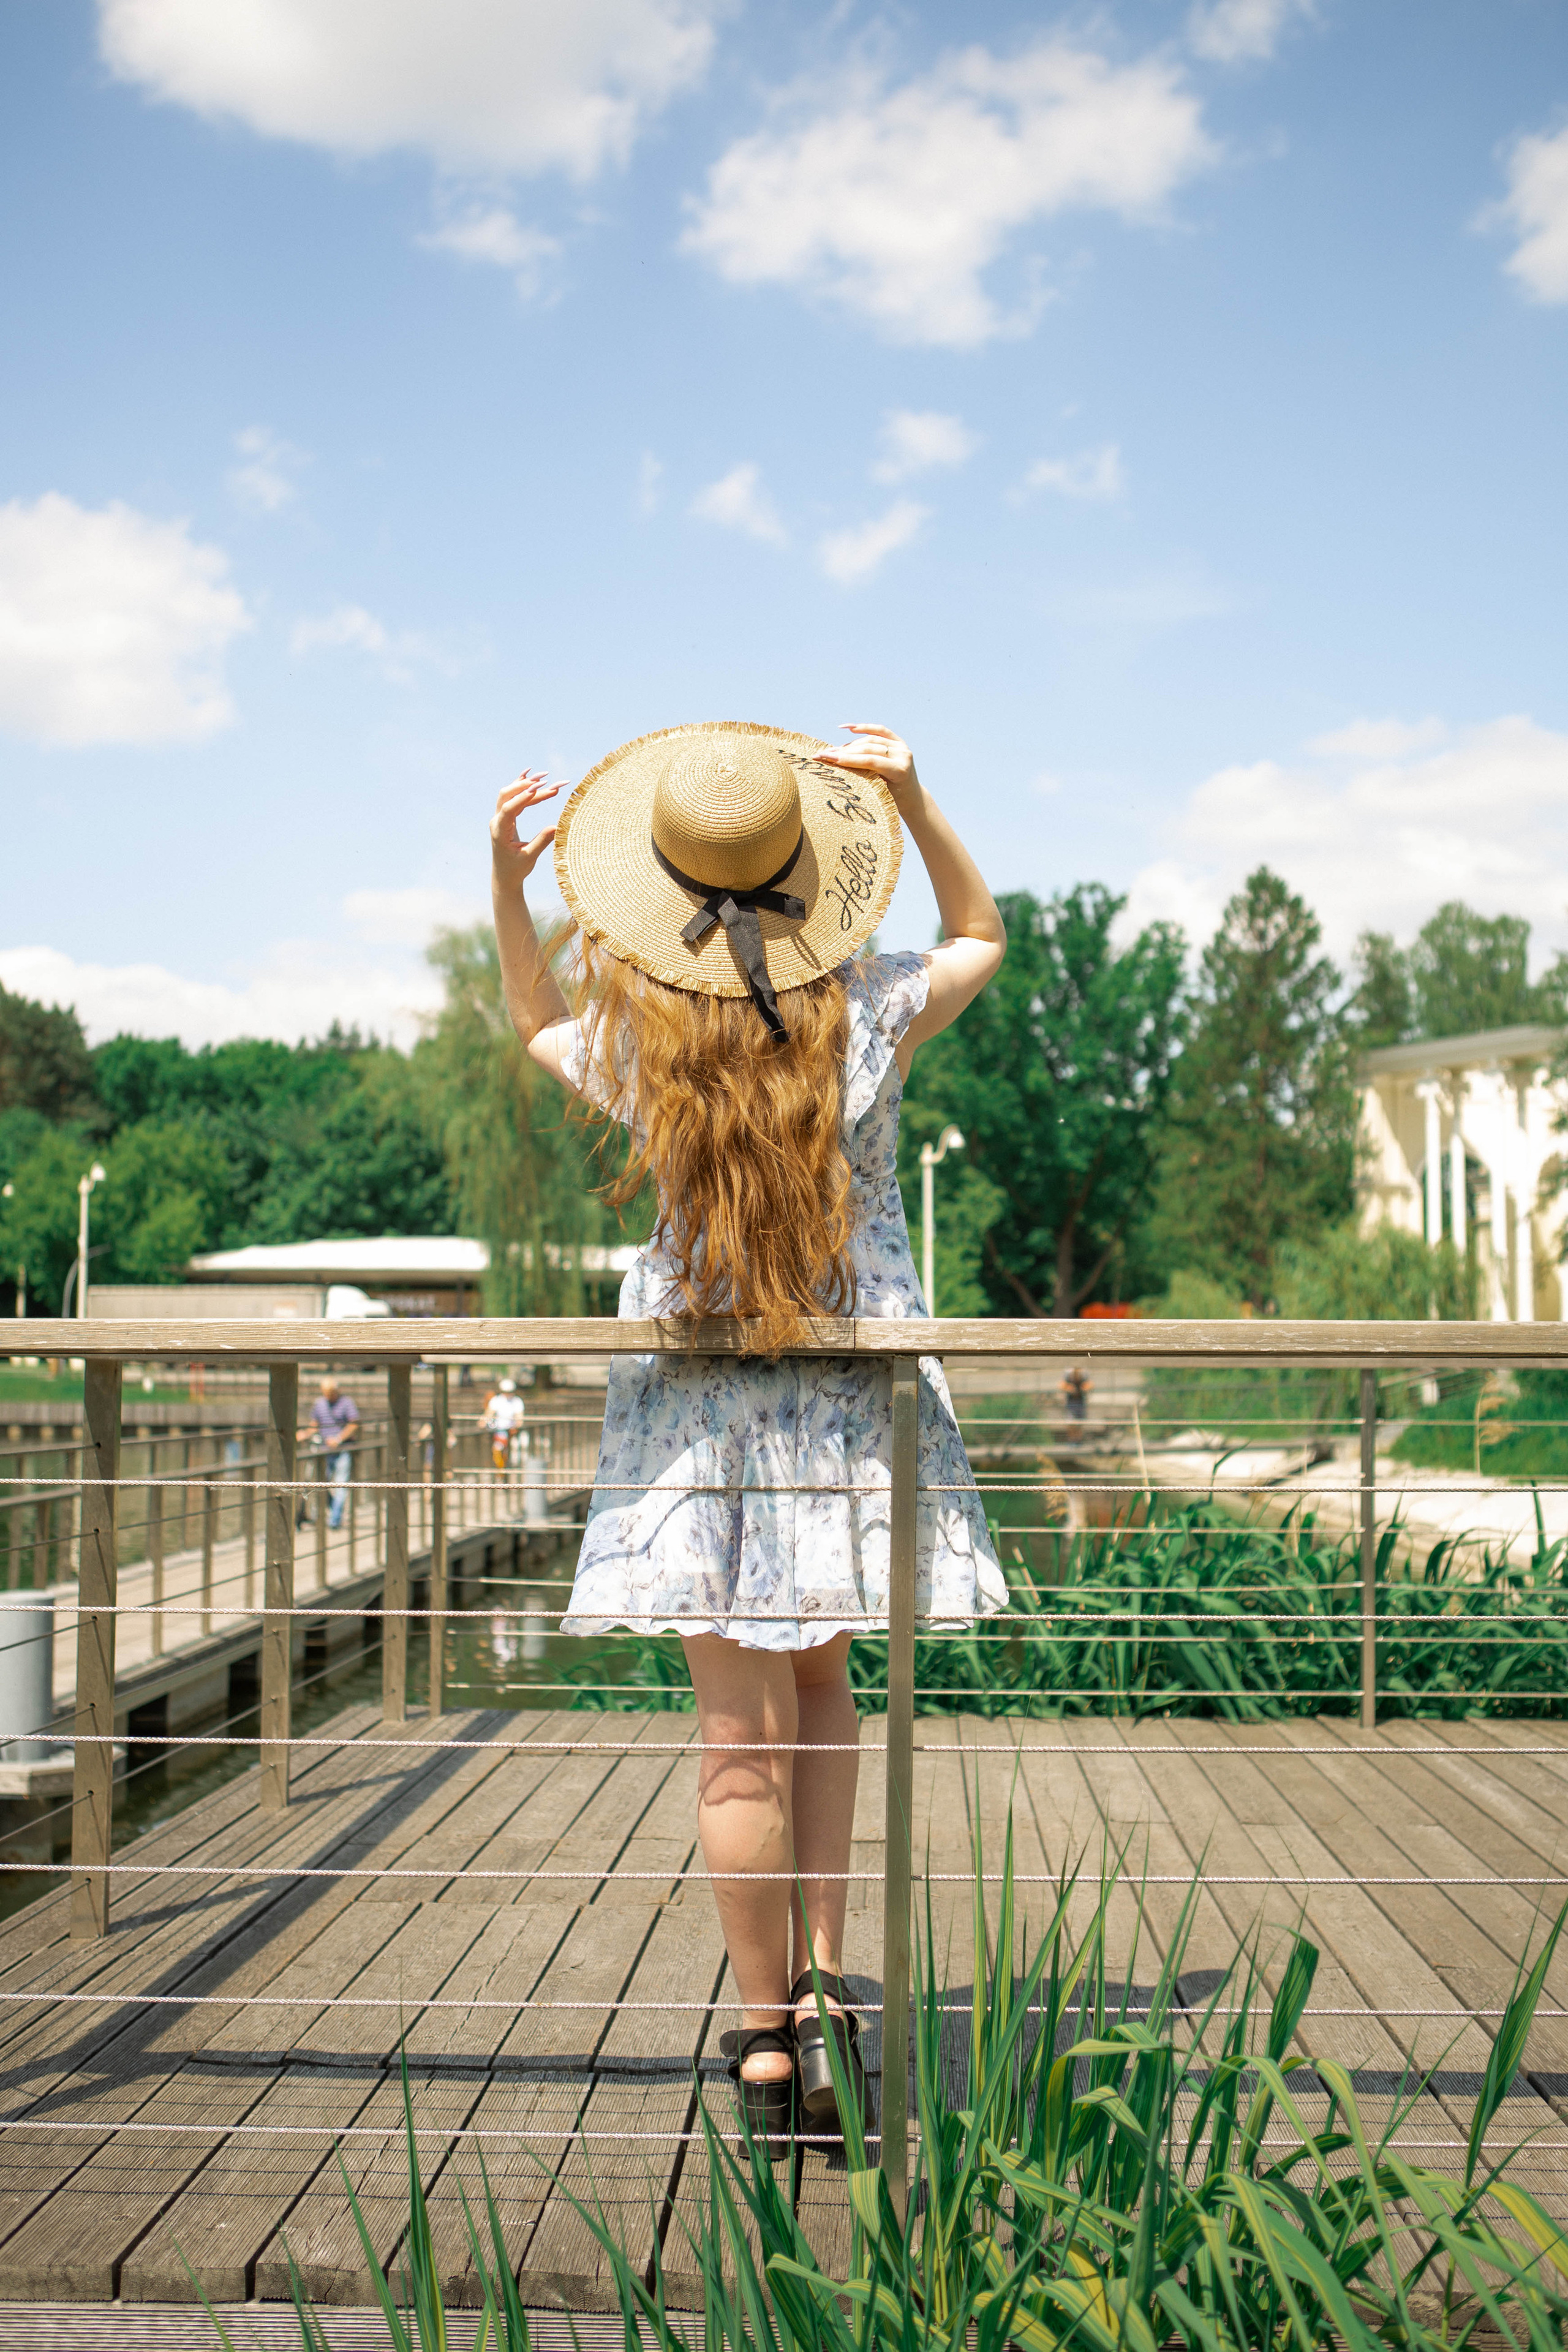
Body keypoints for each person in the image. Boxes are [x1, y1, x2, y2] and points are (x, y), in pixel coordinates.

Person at [491, 719, 1008, 2154]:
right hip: (845, 1397)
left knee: (734, 1742)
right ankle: (832, 1993)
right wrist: (910, 792)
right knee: (824, 1705)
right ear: (803, 869)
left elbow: (531, 1011)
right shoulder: (869, 1008)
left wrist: (501, 878)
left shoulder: (643, 1041)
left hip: (698, 1419)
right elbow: (979, 928)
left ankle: (762, 2035)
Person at [299, 1376, 360, 1532]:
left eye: (331, 1393)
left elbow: (354, 1424)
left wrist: (339, 1439)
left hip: (342, 1449)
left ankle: (335, 1520)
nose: (328, 1396)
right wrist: (305, 1434)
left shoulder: (347, 1403)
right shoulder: (320, 1404)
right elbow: (315, 1425)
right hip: (324, 1450)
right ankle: (335, 1513)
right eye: (326, 1393)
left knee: (340, 1484)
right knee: (322, 1485)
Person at [483, 1376, 526, 1470]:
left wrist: (516, 1426)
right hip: (499, 1431)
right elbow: (488, 1415)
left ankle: (506, 1470)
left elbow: (520, 1418)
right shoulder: (496, 1400)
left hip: (512, 1431)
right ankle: (500, 1471)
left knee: (512, 1452)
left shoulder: (517, 1401)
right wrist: (483, 1422)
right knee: (498, 1450)